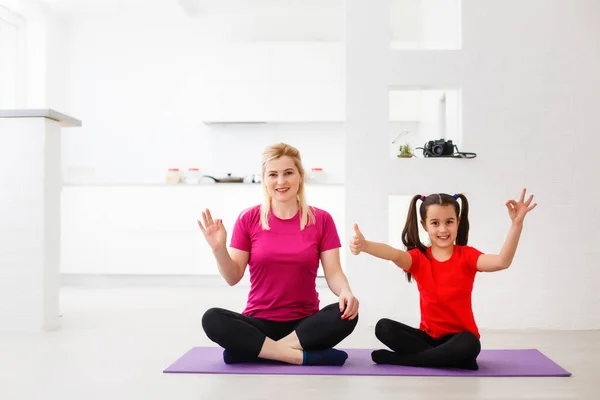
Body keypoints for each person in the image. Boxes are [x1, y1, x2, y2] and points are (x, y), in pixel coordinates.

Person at [198, 143, 359, 366]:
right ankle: (300, 356)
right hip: (259, 322)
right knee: (212, 318)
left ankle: (258, 351)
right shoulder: (249, 219)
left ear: (300, 176)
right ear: (264, 178)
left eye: (288, 173)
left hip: (304, 326)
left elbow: (334, 273)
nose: (281, 181)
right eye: (273, 174)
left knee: (347, 313)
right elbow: (232, 276)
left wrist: (346, 292)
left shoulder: (321, 220)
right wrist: (218, 249)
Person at [350, 189, 537, 370]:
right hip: (427, 338)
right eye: (435, 223)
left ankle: (406, 360)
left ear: (458, 222)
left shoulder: (467, 256)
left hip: (459, 339)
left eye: (449, 222)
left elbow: (501, 262)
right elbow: (393, 254)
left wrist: (516, 224)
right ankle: (451, 360)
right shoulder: (418, 258)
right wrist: (366, 245)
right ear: (424, 225)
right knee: (384, 327)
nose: (443, 229)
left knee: (470, 344)